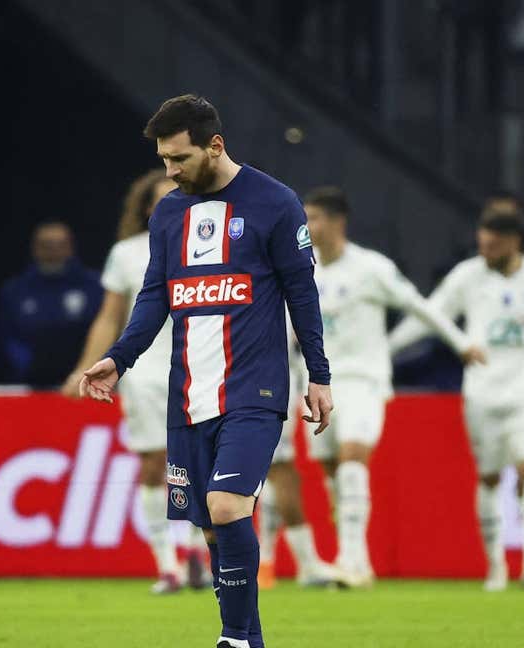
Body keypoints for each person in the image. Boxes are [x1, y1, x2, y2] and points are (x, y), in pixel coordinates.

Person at [78, 94, 332, 648]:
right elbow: (154, 298)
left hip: (255, 388)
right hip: (189, 391)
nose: (169, 172)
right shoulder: (170, 212)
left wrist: (319, 375)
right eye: (165, 161)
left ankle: (232, 639)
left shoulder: (274, 202)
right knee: (214, 525)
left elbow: (302, 294)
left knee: (227, 504)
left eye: (179, 159)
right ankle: (249, 640)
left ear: (215, 146)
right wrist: (118, 360)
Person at [258, 186, 484, 590]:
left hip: (362, 379)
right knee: (332, 473)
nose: (306, 226)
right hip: (316, 385)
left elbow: (421, 306)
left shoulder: (371, 267)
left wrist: (462, 343)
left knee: (352, 459)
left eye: (314, 218)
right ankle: (358, 561)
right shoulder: (300, 270)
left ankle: (350, 560)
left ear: (338, 221)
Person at [390, 208, 524, 590]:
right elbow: (430, 314)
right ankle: (496, 566)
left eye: (493, 245)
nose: (485, 250)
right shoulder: (467, 276)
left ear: (513, 243)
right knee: (490, 477)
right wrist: (388, 346)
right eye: (483, 243)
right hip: (484, 390)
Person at [62, 169, 213, 593]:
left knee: (207, 462)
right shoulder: (127, 254)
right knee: (154, 464)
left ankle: (200, 554)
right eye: (161, 199)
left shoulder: (213, 245)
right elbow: (110, 316)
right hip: (145, 370)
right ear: (147, 208)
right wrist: (85, 366)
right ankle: (168, 566)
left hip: (202, 364)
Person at [0, 221, 103, 386]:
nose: (54, 250)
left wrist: (87, 368)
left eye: (61, 244)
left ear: (71, 247)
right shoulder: (16, 290)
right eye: (47, 245)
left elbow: (105, 329)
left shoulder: (95, 286)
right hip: (30, 383)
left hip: (84, 379)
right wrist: (27, 367)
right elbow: (6, 336)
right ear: (35, 248)